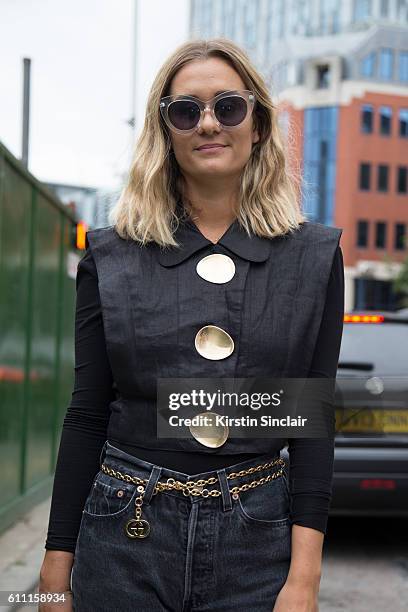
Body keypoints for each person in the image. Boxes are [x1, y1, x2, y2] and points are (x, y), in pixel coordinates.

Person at [39, 38, 344, 612]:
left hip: (259, 542)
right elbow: (86, 412)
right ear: (166, 130)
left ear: (257, 124)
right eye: (186, 110)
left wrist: (304, 581)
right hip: (122, 528)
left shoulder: (314, 255)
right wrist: (53, 576)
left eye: (228, 106)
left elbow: (312, 424)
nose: (208, 123)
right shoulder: (111, 255)